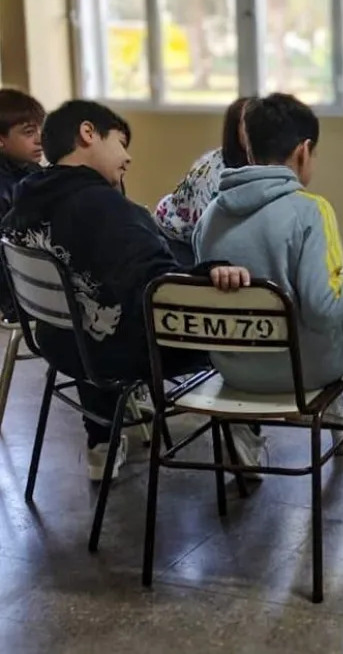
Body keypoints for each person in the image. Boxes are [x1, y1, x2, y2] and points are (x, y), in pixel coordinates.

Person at [0, 100, 251, 480]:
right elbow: (161, 287)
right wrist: (213, 272)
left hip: (60, 344)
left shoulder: (23, 202)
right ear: (88, 133)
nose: (128, 157)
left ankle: (102, 441)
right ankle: (244, 437)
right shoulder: (104, 208)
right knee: (239, 322)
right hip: (120, 352)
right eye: (120, 143)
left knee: (92, 314)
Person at [195, 93, 343, 453]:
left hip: (234, 369)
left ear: (250, 150)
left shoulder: (210, 217)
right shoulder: (310, 211)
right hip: (305, 370)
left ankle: (318, 412)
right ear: (303, 151)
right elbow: (324, 309)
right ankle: (333, 402)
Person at [154, 96, 254, 264]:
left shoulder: (259, 163)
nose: (257, 131)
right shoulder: (213, 173)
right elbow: (204, 236)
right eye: (248, 125)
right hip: (176, 239)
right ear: (234, 130)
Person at [0, 88, 45, 321]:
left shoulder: (32, 171)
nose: (39, 138)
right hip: (24, 294)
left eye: (40, 128)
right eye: (29, 132)